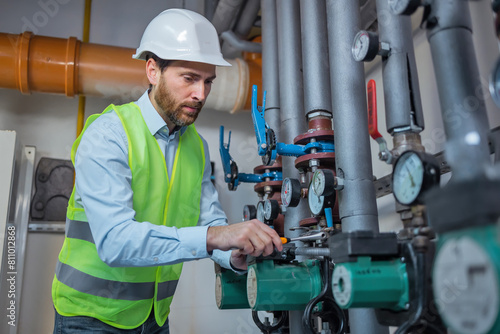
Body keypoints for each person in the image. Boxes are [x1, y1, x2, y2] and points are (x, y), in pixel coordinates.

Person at [52, 8, 282, 334]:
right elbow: (116, 242)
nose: (200, 94)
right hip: (89, 319)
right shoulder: (109, 135)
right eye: (189, 78)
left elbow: (207, 220)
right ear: (153, 71)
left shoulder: (197, 148)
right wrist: (218, 236)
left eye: (208, 82)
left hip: (155, 320)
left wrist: (232, 254)